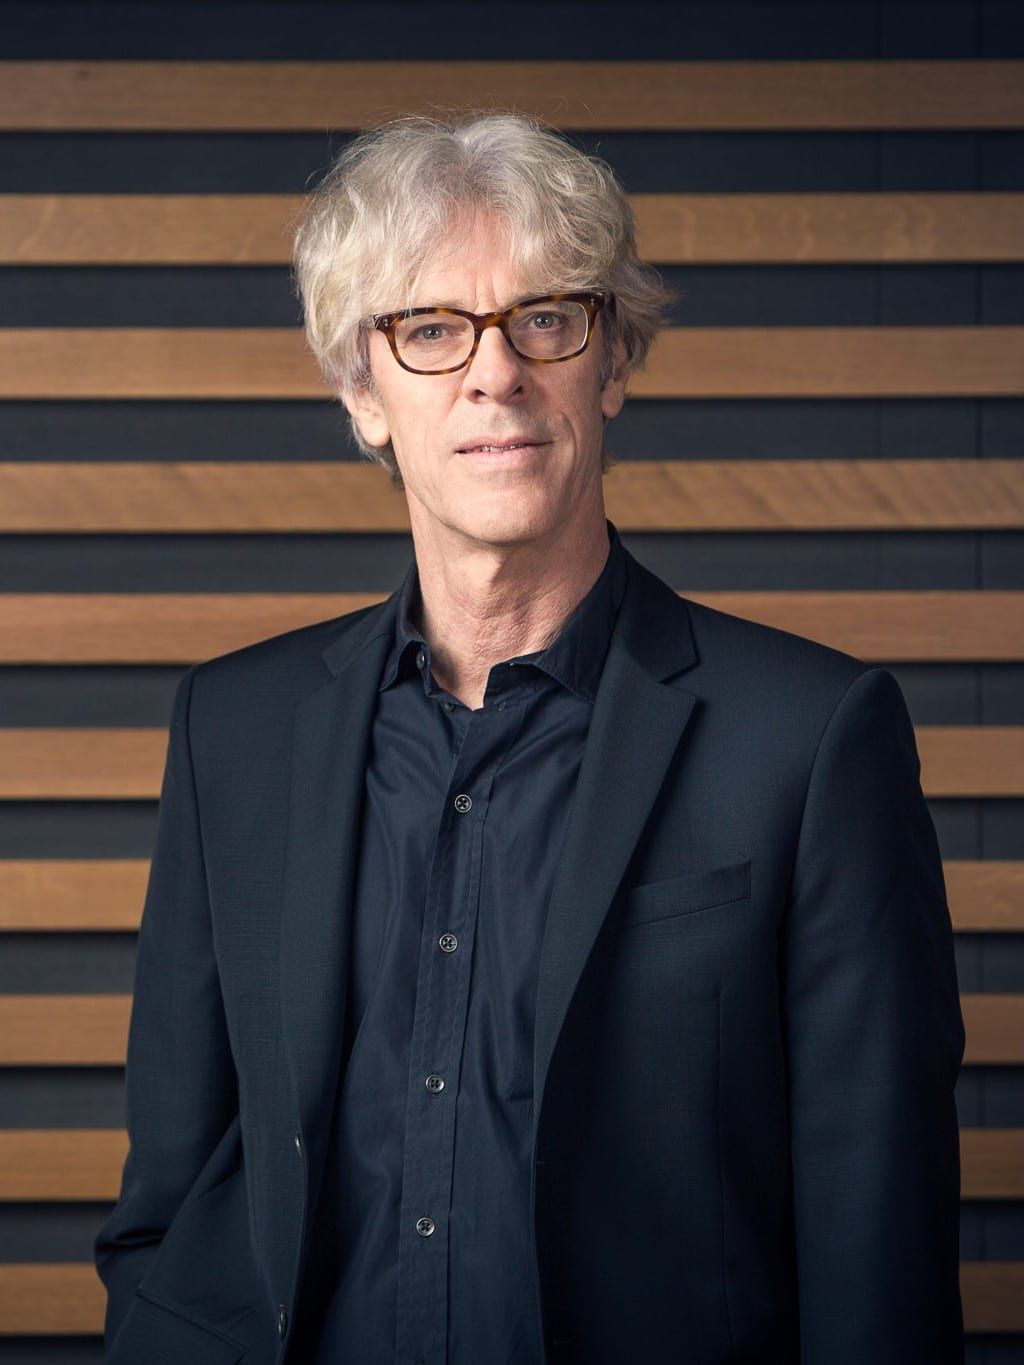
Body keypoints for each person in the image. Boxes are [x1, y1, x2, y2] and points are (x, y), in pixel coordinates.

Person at [94, 109, 966, 1364]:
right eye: (430, 330)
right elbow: (173, 1194)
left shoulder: (813, 739)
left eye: (545, 320)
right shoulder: (232, 728)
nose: (494, 374)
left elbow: (877, 1253)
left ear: (610, 366)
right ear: (363, 393)